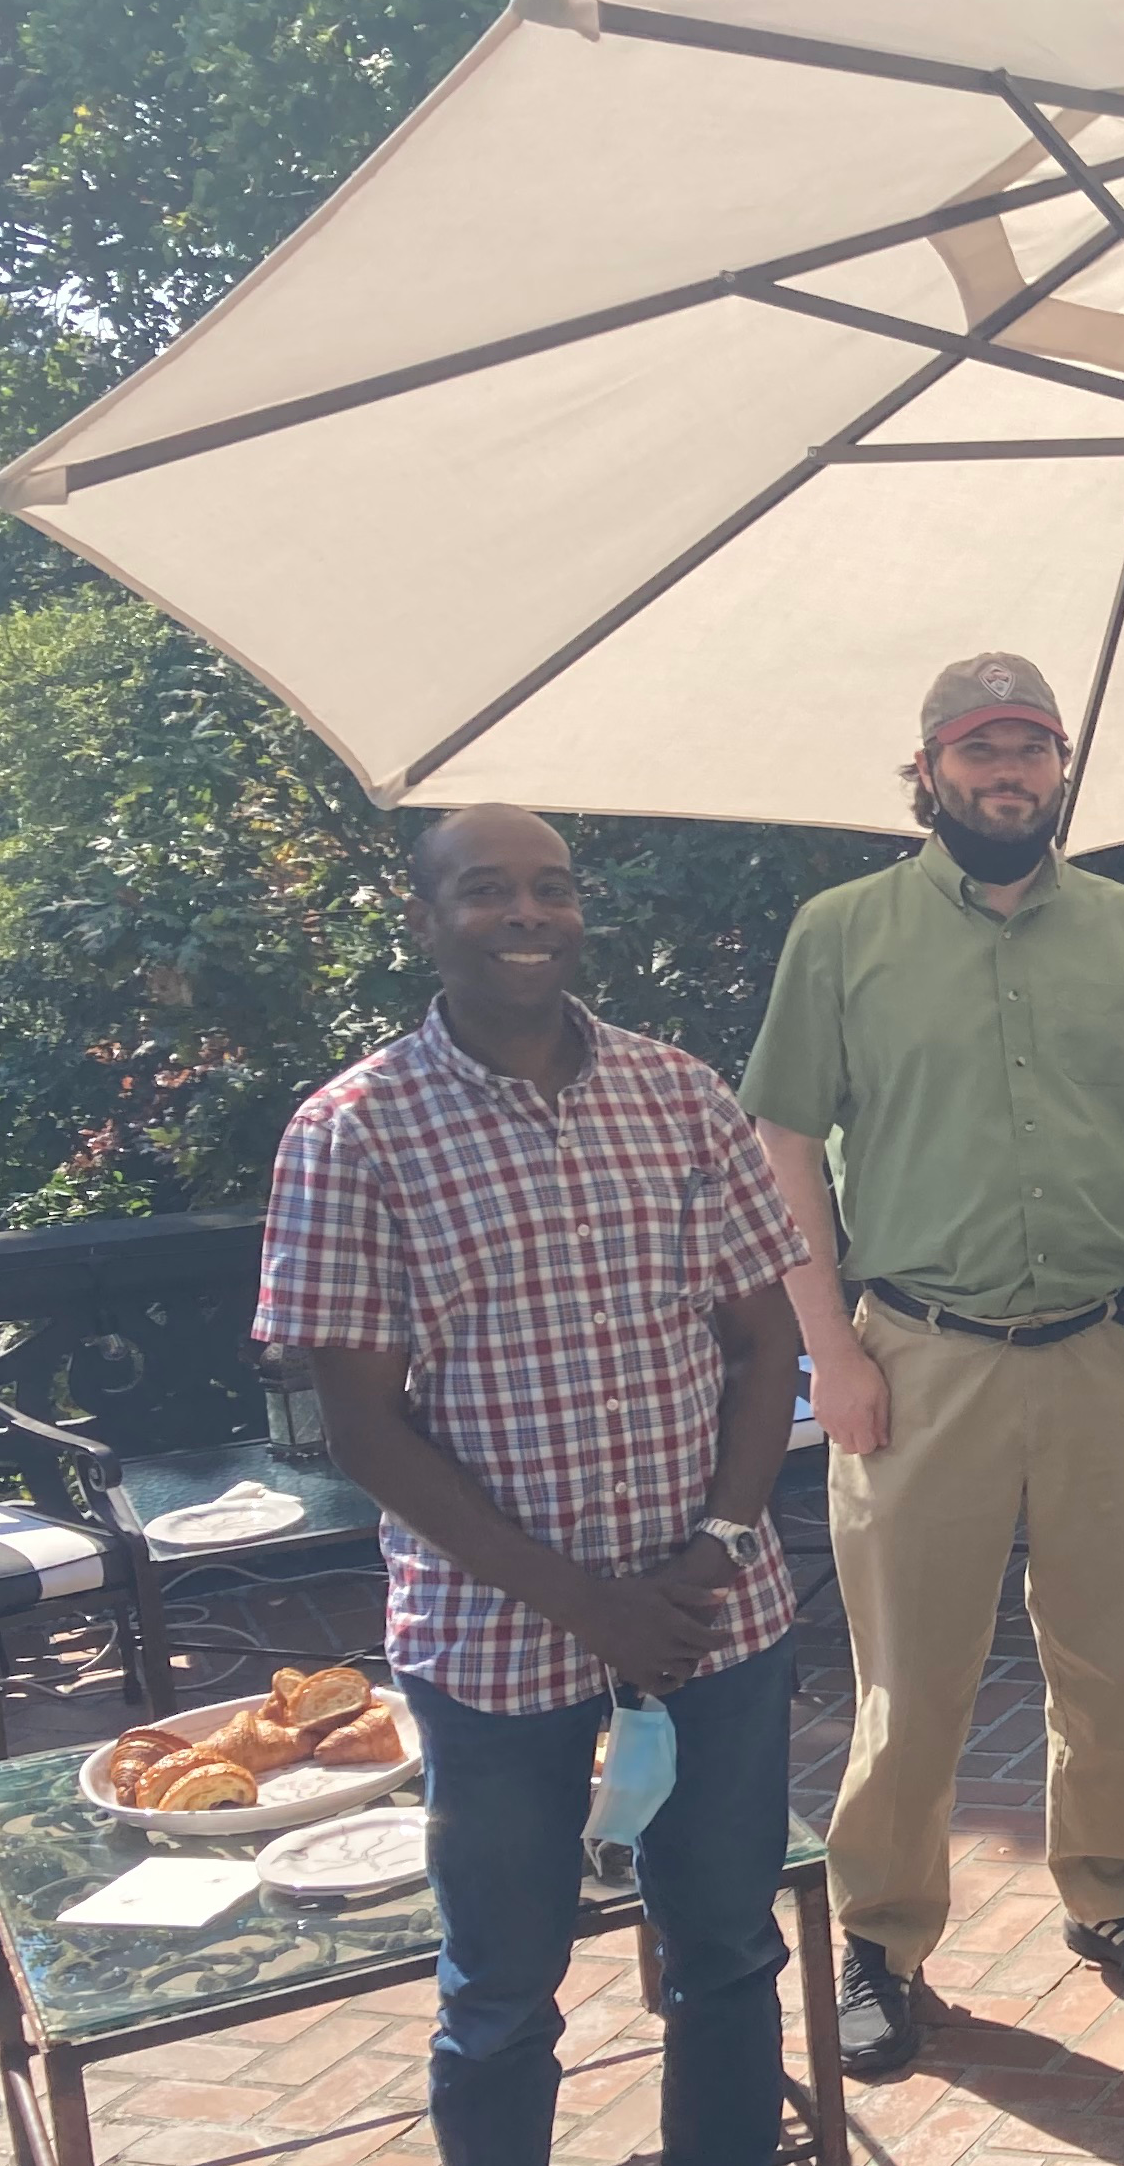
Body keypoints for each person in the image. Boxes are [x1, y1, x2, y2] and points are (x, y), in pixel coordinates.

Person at [743, 653, 1124, 2076]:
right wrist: (827, 1345)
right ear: (928, 770)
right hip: (918, 1358)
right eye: (980, 751)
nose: (1007, 773)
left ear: (1058, 770)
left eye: (1030, 749)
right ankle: (880, 1936)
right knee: (911, 1674)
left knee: (1111, 1654)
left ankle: (1116, 1894)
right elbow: (782, 1138)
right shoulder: (840, 934)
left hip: (1111, 1348)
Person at [258, 806, 808, 2166]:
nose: (525, 914)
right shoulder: (355, 1132)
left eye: (550, 888)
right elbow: (365, 1433)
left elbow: (765, 1338)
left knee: (730, 1948)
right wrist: (593, 1607)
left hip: (714, 1620)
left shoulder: (679, 1093)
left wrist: (721, 1542)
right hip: (495, 1645)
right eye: (487, 890)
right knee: (502, 1990)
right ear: (424, 918)